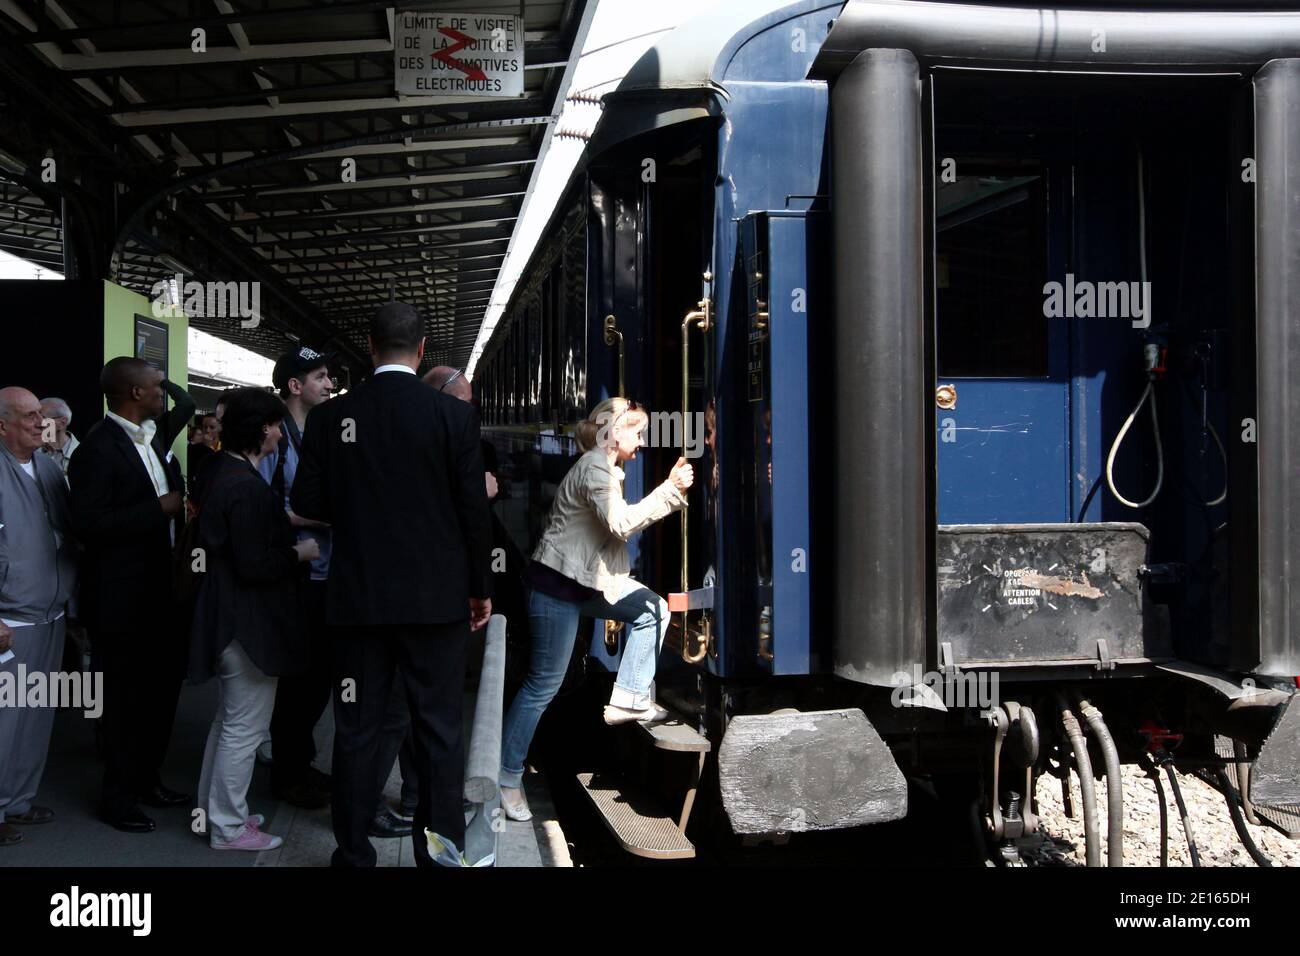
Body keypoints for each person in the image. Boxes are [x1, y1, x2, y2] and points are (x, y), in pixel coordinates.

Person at [292, 301, 493, 867]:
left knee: (357, 727)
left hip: (358, 604)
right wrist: (479, 588)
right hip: (436, 606)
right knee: (439, 730)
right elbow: (473, 512)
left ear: (371, 348)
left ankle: (353, 856)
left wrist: (359, 509)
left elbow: (306, 501)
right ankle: (437, 855)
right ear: (423, 348)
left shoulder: (332, 418)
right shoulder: (452, 417)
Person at [499, 396, 693, 822]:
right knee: (542, 687)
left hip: (584, 585)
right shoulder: (594, 468)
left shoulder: (604, 467)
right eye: (637, 433)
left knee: (653, 610)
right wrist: (669, 491)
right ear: (614, 431)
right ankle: (506, 778)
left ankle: (628, 696)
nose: (642, 443)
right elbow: (620, 523)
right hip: (555, 589)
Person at [68, 357, 196, 833]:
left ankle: (147, 780)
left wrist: (176, 501)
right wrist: (156, 509)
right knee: (123, 704)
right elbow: (88, 526)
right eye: (157, 386)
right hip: (120, 602)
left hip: (161, 594)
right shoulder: (96, 450)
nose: (164, 392)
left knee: (160, 696)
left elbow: (171, 491)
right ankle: (116, 798)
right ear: (134, 393)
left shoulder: (153, 437)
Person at [189, 387, 318, 851]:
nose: (282, 433)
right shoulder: (244, 486)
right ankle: (227, 827)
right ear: (264, 428)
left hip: (224, 618)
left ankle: (214, 813)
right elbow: (253, 565)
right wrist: (298, 552)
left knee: (229, 722)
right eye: (278, 425)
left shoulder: (217, 469)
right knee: (244, 729)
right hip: (245, 624)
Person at [0, 387, 78, 848]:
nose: (39, 422)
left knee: (35, 717)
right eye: (28, 416)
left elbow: (66, 536)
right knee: (6, 721)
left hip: (50, 614)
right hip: (10, 623)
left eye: (40, 416)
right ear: (3, 425)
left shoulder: (49, 467)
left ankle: (18, 801)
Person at [259, 347, 335, 809]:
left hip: (323, 574)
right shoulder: (276, 436)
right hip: (295, 575)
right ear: (295, 385)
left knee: (315, 679)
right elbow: (263, 507)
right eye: (321, 376)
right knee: (298, 681)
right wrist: (318, 521)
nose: (329, 385)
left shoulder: (318, 432)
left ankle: (299, 764)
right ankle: (288, 776)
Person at [38, 397, 79, 483]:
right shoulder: (29, 452)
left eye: (42, 418)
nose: (36, 423)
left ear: (62, 423)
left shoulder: (84, 454)